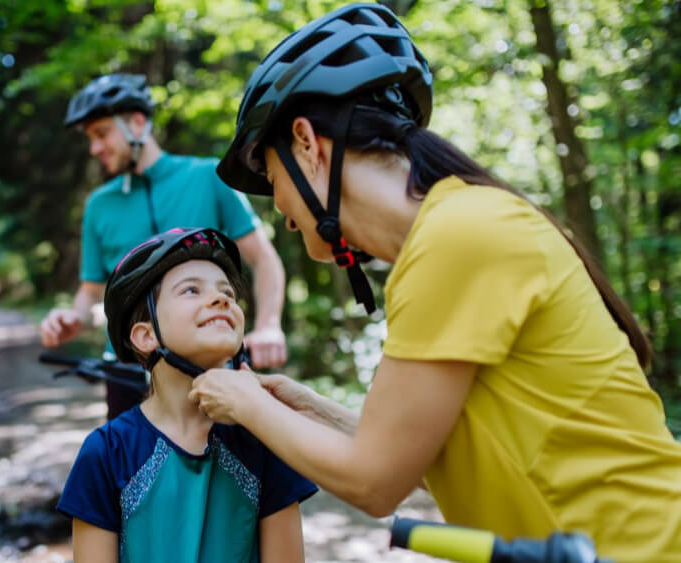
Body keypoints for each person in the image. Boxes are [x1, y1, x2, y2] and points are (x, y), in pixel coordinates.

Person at [188, 3, 681, 561]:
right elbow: (423, 457)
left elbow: (376, 482)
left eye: (273, 178)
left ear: (307, 142)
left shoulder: (457, 236)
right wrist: (309, 408)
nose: (280, 210)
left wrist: (245, 403)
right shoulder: (451, 232)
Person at [56, 228, 317, 563]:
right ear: (146, 336)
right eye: (191, 290)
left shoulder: (265, 438)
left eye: (227, 292)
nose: (221, 299)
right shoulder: (107, 453)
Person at [40, 73, 288, 420]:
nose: (94, 148)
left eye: (102, 133)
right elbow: (92, 294)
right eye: (90, 138)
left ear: (137, 124)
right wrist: (74, 318)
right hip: (128, 372)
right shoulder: (99, 205)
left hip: (212, 366)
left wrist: (269, 324)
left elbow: (263, 259)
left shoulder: (209, 177)